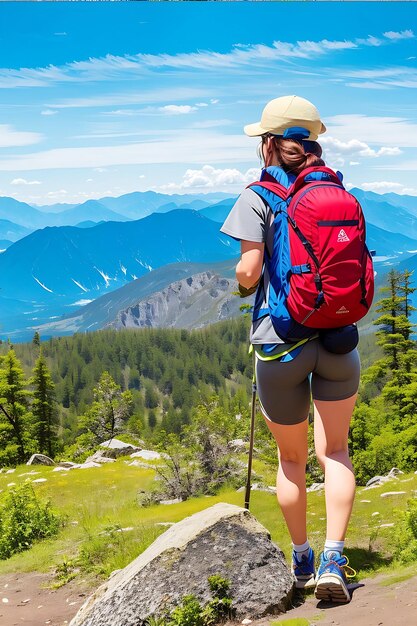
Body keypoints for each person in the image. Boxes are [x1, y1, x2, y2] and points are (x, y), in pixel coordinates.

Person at [220, 95, 359, 604]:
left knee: (292, 460)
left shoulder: (257, 196)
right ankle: (334, 557)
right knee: (336, 451)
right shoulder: (338, 192)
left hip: (281, 343)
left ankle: (301, 557)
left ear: (271, 145)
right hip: (339, 340)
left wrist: (241, 289)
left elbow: (248, 273)